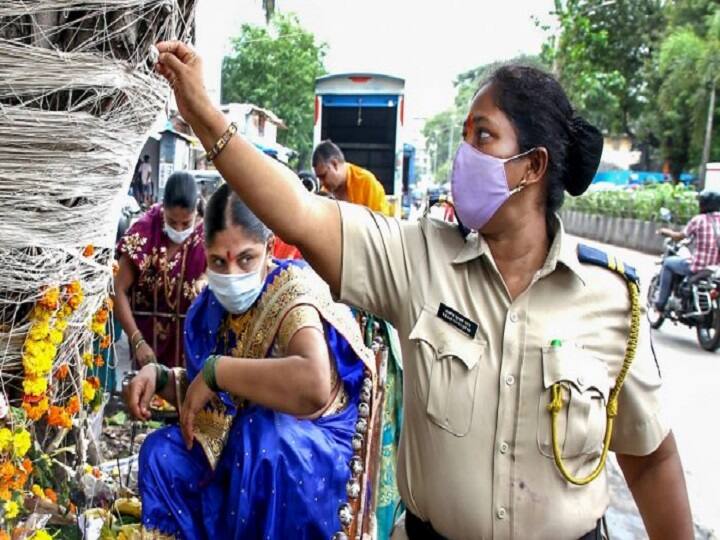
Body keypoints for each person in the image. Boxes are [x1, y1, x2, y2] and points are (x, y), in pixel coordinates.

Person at [155, 43, 693, 539]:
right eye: (464, 136)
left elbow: (651, 461)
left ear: (533, 166)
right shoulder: (417, 259)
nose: (465, 154)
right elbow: (298, 212)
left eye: (483, 136)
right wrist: (205, 115)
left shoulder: (612, 299)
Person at [124, 183, 373, 538]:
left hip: (304, 448)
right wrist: (160, 377)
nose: (230, 275)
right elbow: (217, 404)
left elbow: (314, 386)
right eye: (217, 261)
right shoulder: (209, 305)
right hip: (238, 441)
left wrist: (219, 371)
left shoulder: (291, 295)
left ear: (269, 248)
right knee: (161, 452)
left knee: (262, 437)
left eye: (245, 259)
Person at [115, 171, 206, 369]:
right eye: (172, 222)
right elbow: (118, 289)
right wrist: (137, 341)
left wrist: (205, 278)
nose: (180, 229)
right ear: (162, 208)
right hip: (148, 344)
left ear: (196, 213)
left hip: (192, 348)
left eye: (186, 223)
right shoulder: (145, 231)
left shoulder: (207, 235)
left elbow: (222, 272)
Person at [656, 190, 720, 311]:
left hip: (698, 267)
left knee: (668, 263)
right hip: (716, 268)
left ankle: (661, 303)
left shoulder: (699, 220)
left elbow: (679, 236)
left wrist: (665, 231)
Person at [313, 140, 391, 215]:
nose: (321, 182)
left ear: (335, 164)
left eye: (323, 176)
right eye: (319, 178)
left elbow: (382, 223)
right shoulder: (325, 193)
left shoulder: (367, 184)